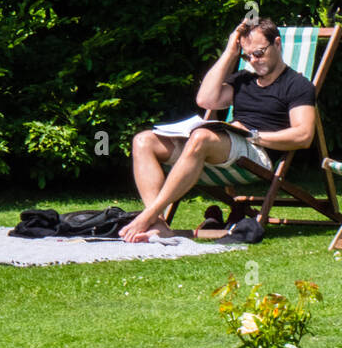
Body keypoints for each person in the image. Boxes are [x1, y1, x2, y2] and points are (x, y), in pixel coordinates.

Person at [120, 18, 316, 242]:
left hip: (258, 153)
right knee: (143, 140)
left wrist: (253, 135)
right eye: (246, 56)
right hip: (223, 146)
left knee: (201, 137)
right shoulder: (243, 79)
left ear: (277, 44)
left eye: (259, 53)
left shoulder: (297, 85)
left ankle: (147, 216)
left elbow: (304, 135)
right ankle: (159, 225)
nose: (253, 60)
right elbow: (205, 99)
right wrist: (230, 52)